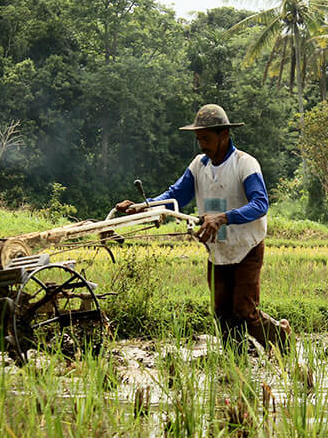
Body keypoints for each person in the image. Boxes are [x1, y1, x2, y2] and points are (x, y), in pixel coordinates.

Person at [116, 104, 291, 353]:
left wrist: (223, 218)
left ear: (224, 135)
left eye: (206, 138)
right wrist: (144, 206)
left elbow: (260, 204)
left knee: (244, 310)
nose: (201, 145)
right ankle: (236, 363)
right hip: (217, 248)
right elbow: (176, 194)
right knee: (222, 312)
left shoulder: (245, 164)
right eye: (198, 139)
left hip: (246, 247)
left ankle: (283, 341)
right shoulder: (199, 165)